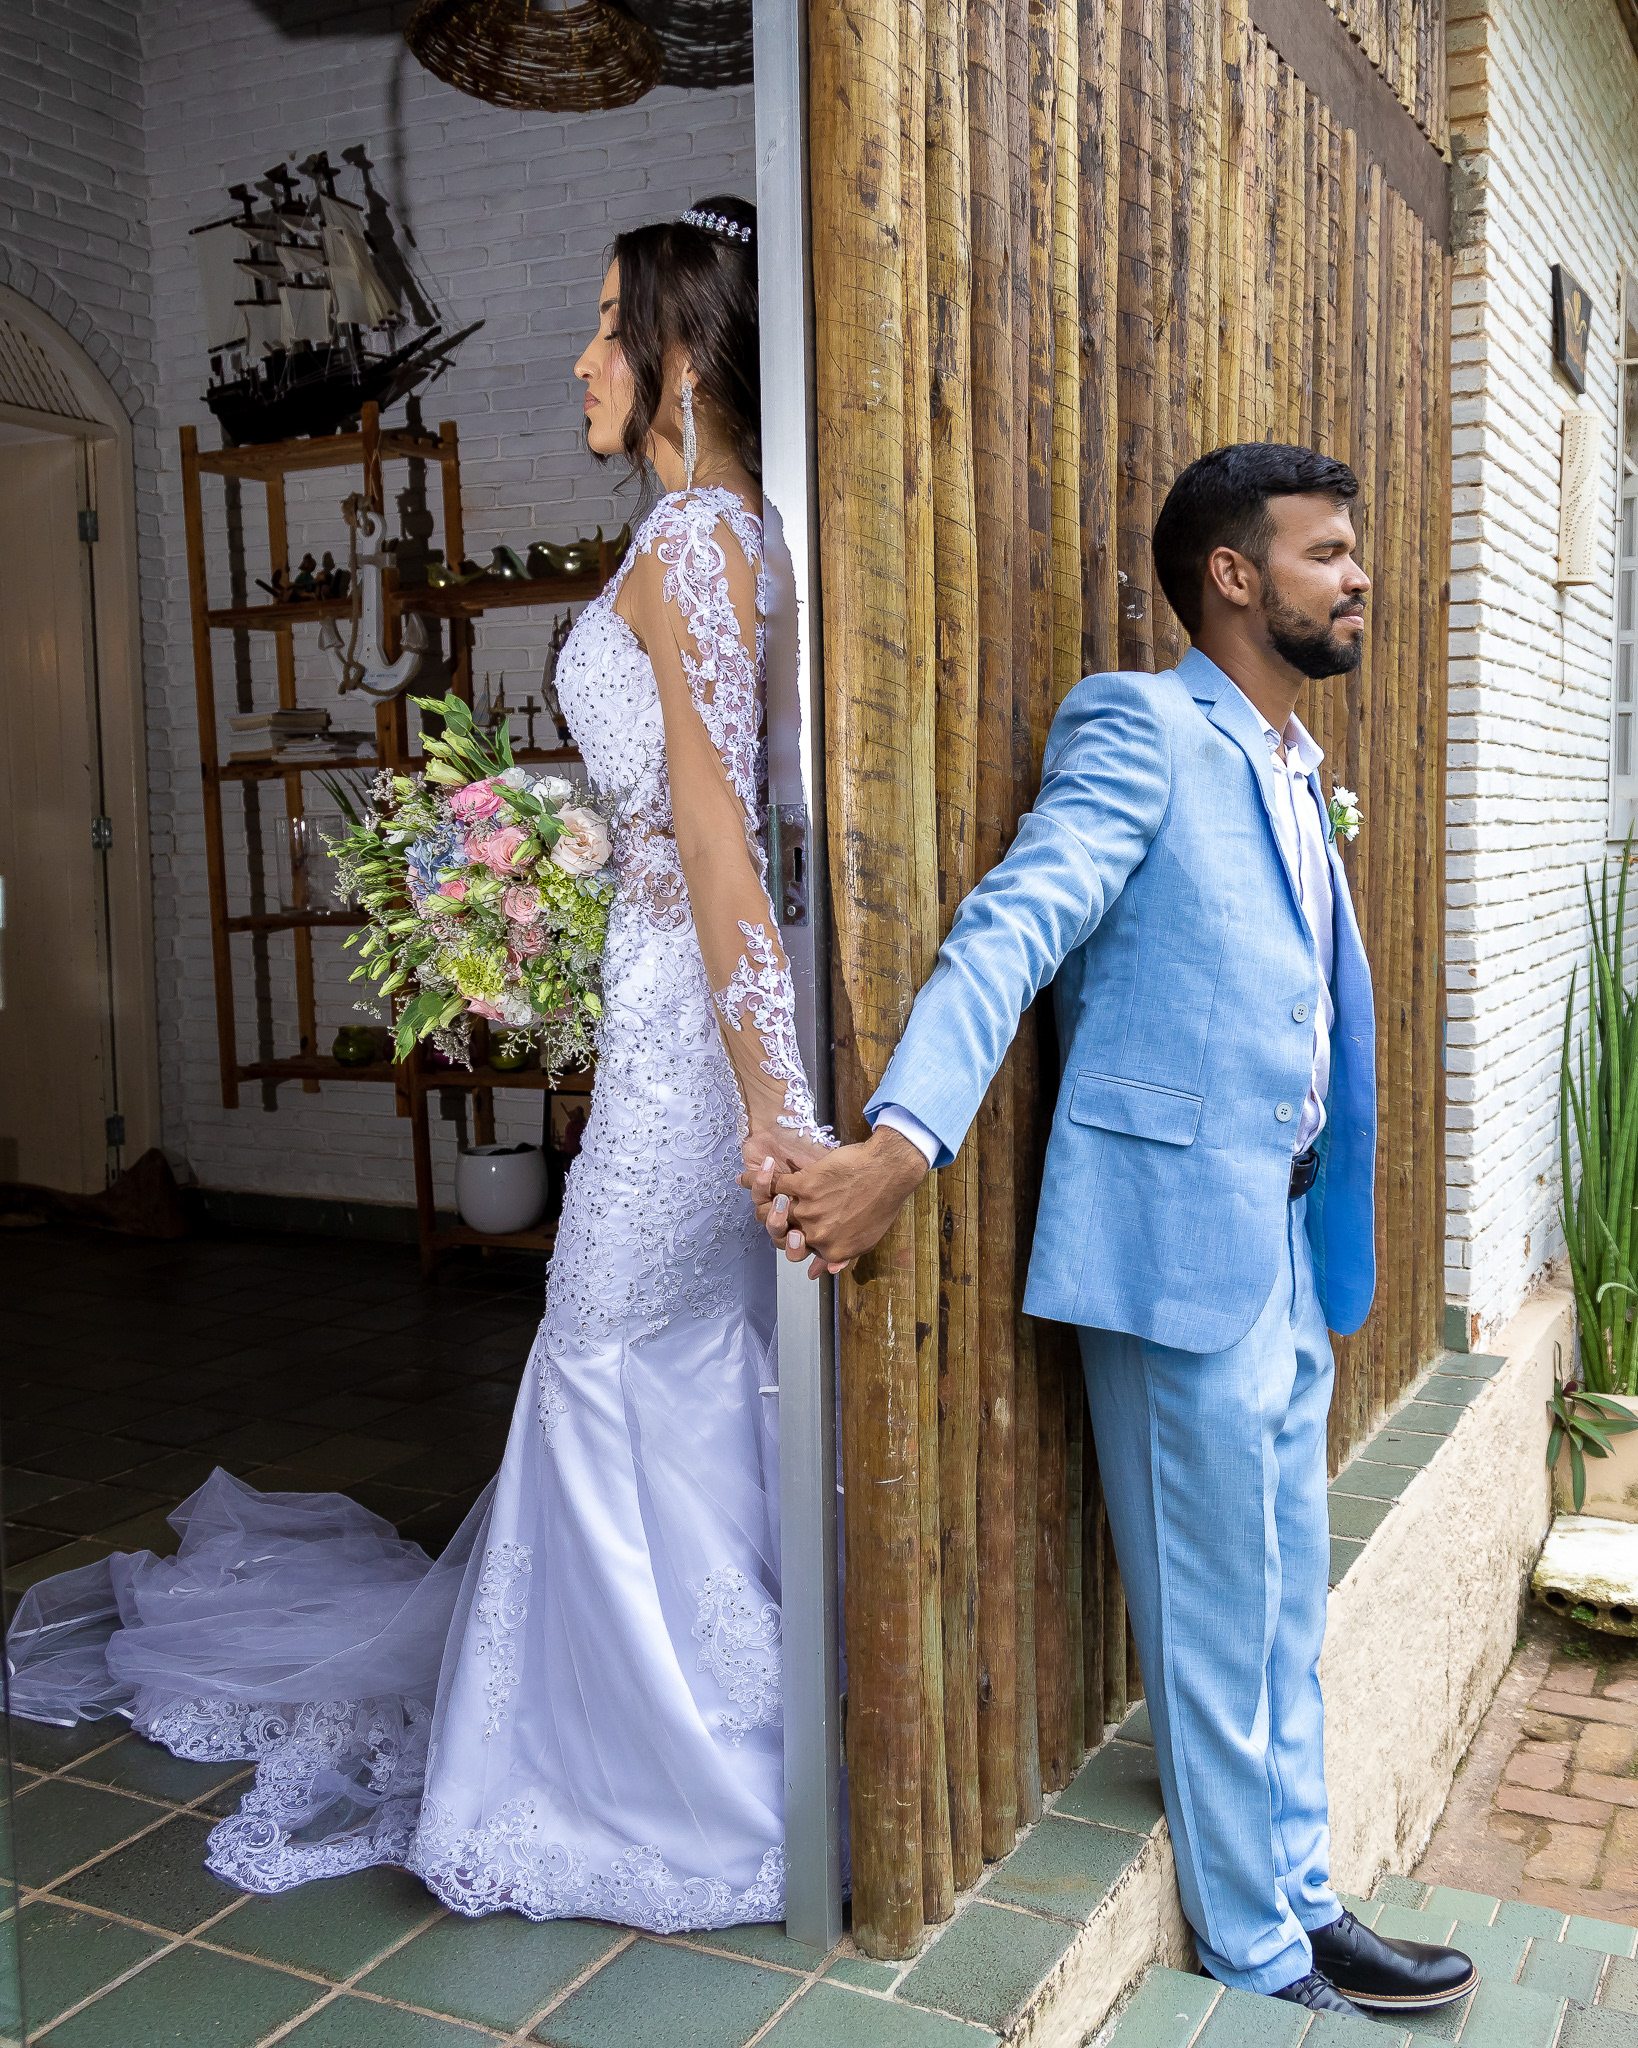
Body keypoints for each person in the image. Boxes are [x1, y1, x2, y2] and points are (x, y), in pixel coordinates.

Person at [7, 195, 840, 1934]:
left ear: (683, 352)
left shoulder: (699, 537)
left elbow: (721, 840)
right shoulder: (745, 532)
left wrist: (774, 1104)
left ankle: (659, 1776)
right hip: (675, 999)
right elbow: (692, 822)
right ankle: (696, 1718)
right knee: (680, 1361)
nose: (581, 357)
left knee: (602, 1349)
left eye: (607, 324)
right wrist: (549, 866)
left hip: (696, 1041)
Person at [743, 445, 1476, 2019]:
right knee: (1214, 1618)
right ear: (1234, 574)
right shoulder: (1139, 727)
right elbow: (1012, 925)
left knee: (1281, 1602)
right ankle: (1259, 1947)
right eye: (1325, 552)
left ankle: (1304, 1891)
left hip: (1286, 1245)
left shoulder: (1289, 763)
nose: (1357, 576)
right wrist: (899, 1141)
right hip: (1172, 1251)